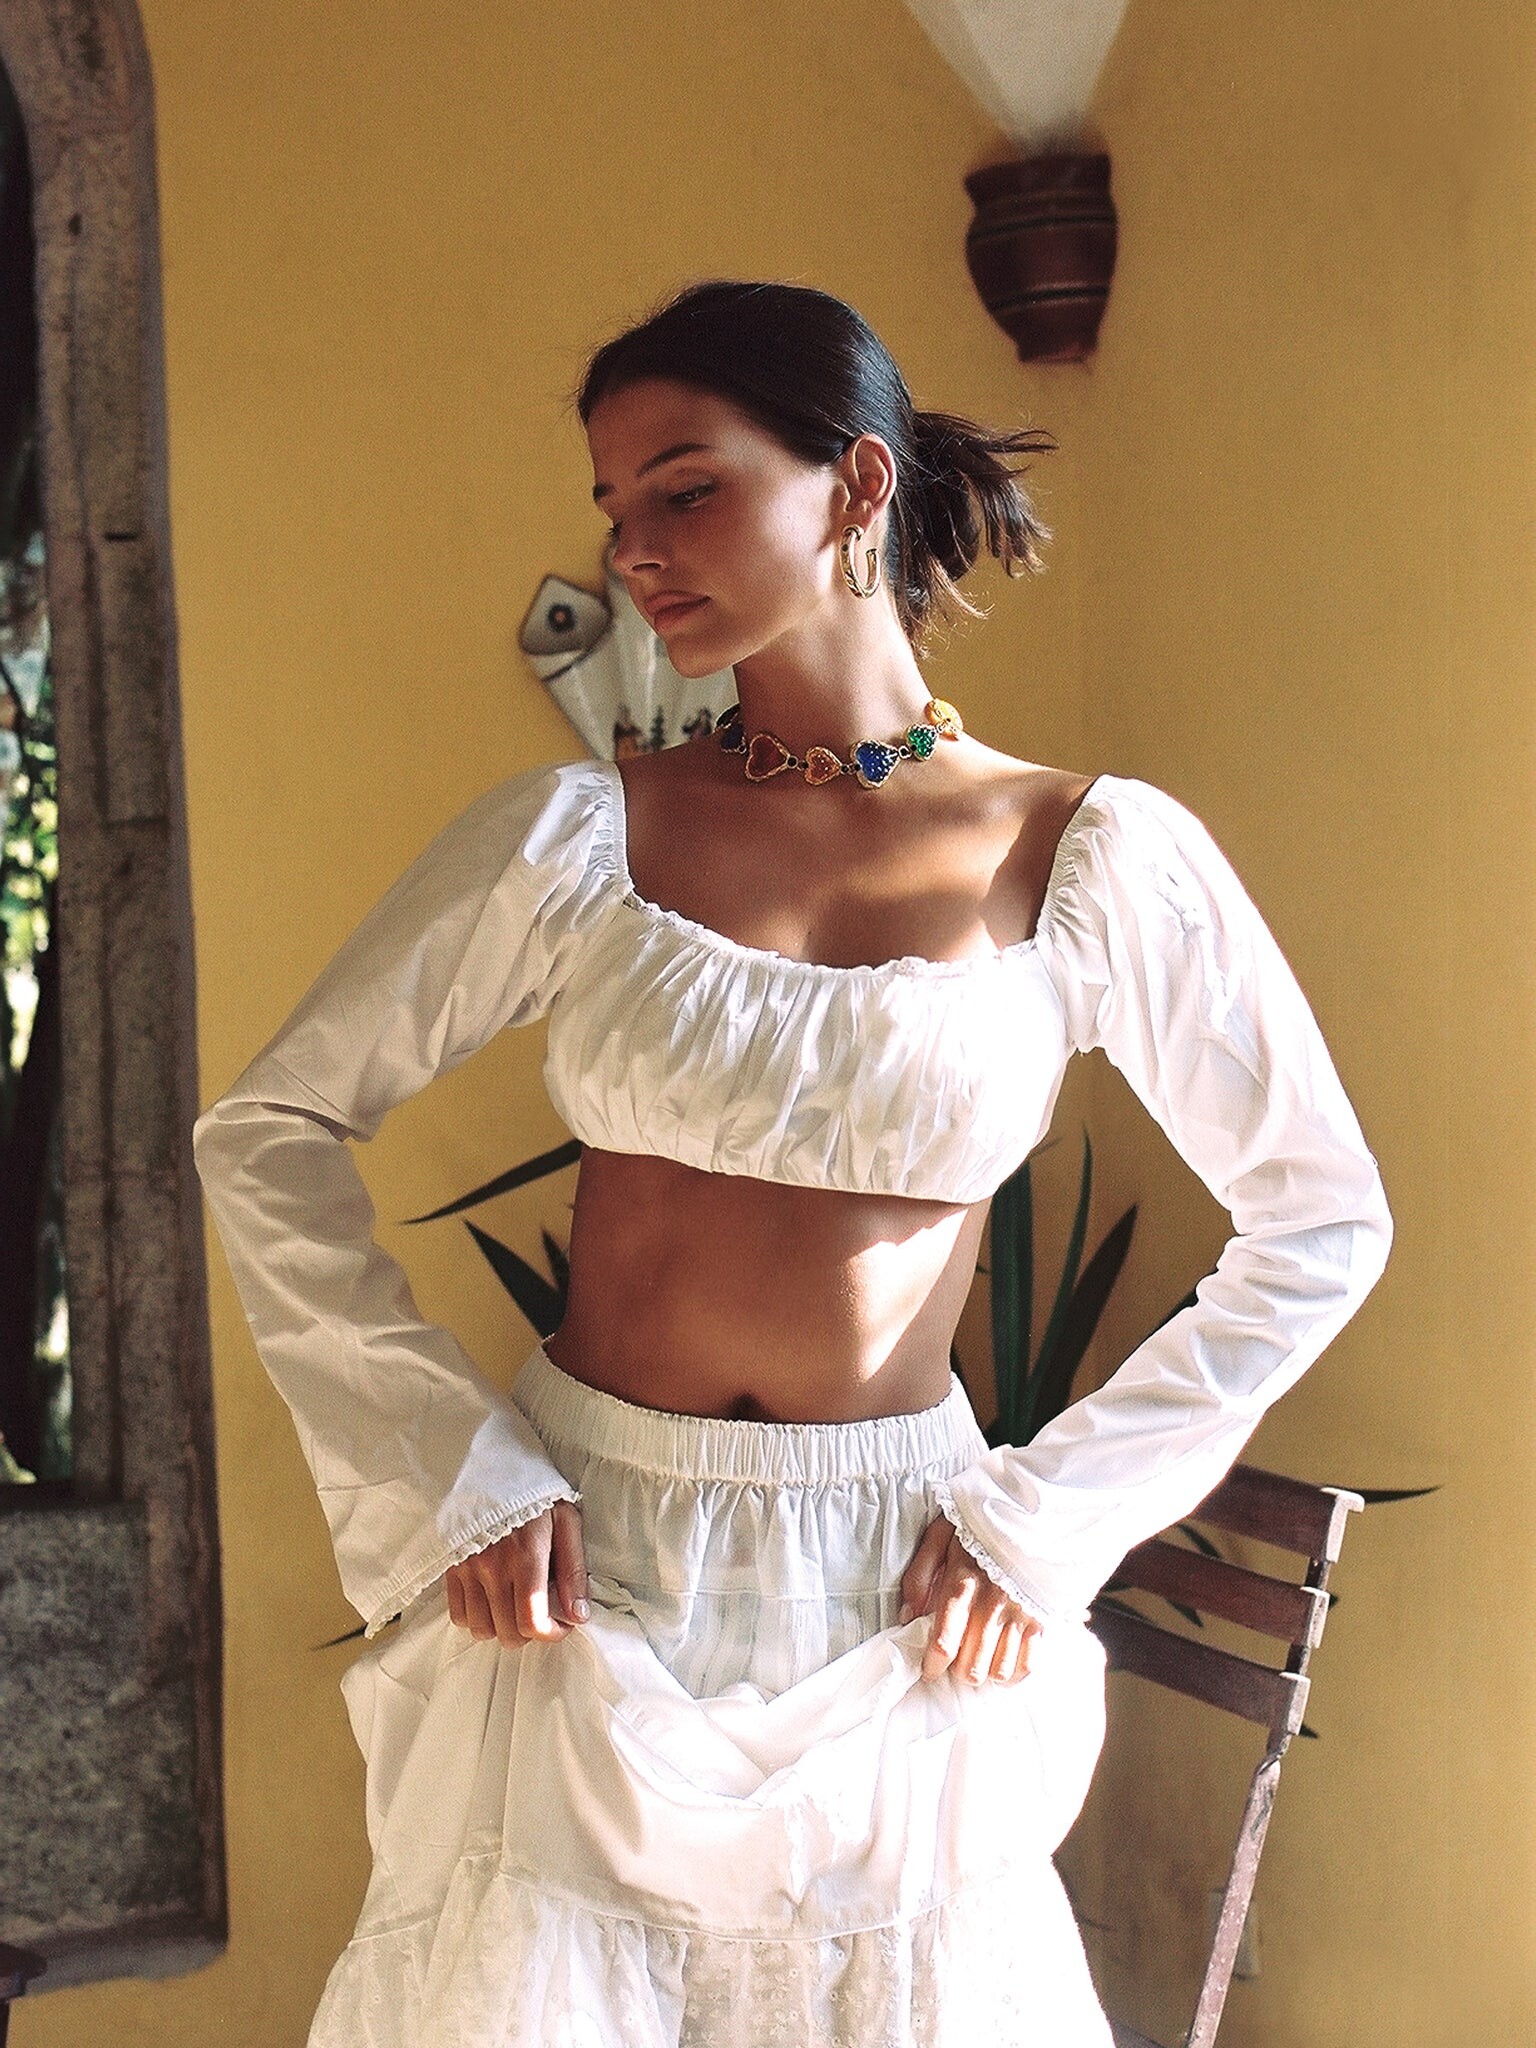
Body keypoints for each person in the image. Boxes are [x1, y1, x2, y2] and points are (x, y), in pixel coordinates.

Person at [192, 279, 1393, 2048]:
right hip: (581, 1578)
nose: (636, 550)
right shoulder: (584, 835)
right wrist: (452, 1470)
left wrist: (1045, 1524)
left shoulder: (1085, 855)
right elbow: (269, 1129)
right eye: (615, 507)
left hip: (909, 1595)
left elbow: (1321, 1221)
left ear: (856, 484)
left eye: (686, 489)